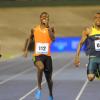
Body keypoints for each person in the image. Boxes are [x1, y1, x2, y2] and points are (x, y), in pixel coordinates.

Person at [24, 12, 55, 100]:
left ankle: (50, 94)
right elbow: (30, 38)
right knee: (40, 67)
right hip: (37, 55)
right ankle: (39, 88)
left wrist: (48, 28)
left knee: (49, 80)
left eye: (46, 17)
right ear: (40, 18)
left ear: (48, 18)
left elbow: (53, 39)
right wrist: (26, 50)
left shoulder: (50, 28)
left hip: (47, 56)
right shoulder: (34, 29)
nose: (44, 18)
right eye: (43, 17)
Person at [74, 12, 100, 81]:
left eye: (99, 18)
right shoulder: (88, 30)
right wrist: (77, 57)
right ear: (94, 19)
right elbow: (80, 43)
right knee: (90, 77)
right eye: (96, 18)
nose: (98, 19)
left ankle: (97, 71)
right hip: (93, 58)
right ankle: (96, 71)